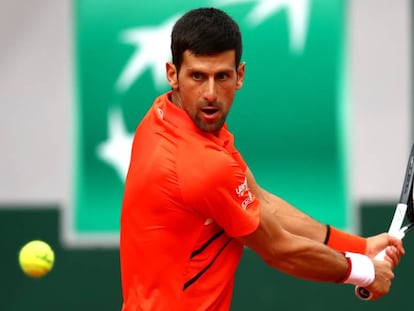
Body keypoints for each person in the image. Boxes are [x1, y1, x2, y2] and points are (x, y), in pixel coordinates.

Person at [119, 7, 405, 311]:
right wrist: (365, 271)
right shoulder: (203, 164)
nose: (210, 94)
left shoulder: (163, 118)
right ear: (172, 74)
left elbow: (260, 203)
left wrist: (359, 247)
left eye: (222, 77)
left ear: (239, 75)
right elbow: (279, 249)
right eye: (197, 77)